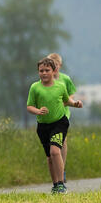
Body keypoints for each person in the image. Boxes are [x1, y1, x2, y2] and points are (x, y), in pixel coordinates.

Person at [27, 57, 82, 194]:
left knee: (55, 151)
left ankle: (61, 183)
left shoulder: (60, 86)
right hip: (43, 126)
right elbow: (29, 106)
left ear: (54, 71)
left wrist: (75, 103)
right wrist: (38, 111)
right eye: (41, 71)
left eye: (47, 70)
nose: (44, 73)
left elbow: (66, 100)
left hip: (59, 123)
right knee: (49, 158)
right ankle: (55, 184)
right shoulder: (35, 87)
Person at [48, 53, 77, 180]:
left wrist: (67, 101)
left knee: (62, 140)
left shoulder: (65, 79)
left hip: (63, 113)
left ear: (60, 65)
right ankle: (55, 169)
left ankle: (62, 168)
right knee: (51, 144)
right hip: (49, 115)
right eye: (51, 65)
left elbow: (71, 95)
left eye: (56, 65)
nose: (54, 67)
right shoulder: (46, 80)